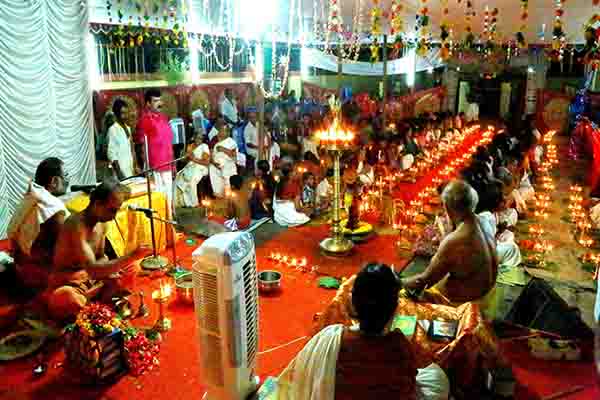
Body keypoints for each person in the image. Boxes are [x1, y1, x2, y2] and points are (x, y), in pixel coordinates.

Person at [265, 263, 449, 400]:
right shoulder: (399, 346)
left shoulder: (331, 338)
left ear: (353, 304)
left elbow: (302, 376)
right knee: (437, 378)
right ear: (394, 308)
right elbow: (406, 387)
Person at [45, 179, 142, 321]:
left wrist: (111, 272)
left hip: (94, 281)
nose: (114, 216)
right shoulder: (75, 225)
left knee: (133, 267)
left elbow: (101, 257)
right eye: (112, 210)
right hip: (70, 283)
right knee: (65, 297)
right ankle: (96, 310)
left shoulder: (101, 225)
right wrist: (132, 255)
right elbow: (92, 269)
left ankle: (95, 309)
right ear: (97, 204)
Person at [401, 180, 498, 305]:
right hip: (487, 291)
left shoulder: (455, 241)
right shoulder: (484, 221)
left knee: (401, 298)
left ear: (447, 207)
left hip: (464, 304)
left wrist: (396, 281)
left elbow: (423, 281)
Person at [7, 158, 70, 290]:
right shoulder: (53, 209)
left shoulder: (31, 198)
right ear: (54, 181)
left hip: (21, 269)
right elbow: (64, 250)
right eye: (66, 176)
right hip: (40, 279)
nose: (68, 181)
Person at [136, 89, 174, 205]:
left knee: (169, 197)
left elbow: (168, 143)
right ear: (148, 104)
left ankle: (169, 221)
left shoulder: (164, 118)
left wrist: (173, 165)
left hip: (168, 164)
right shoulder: (145, 121)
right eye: (155, 101)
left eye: (160, 100)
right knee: (159, 199)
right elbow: (142, 147)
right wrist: (148, 169)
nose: (159, 103)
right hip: (155, 168)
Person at [175, 132, 210, 207]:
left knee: (191, 180)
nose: (199, 140)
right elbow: (185, 160)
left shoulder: (204, 146)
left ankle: (194, 203)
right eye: (197, 137)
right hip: (190, 166)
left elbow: (206, 162)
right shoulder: (190, 146)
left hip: (201, 167)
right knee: (178, 178)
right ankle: (184, 203)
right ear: (194, 137)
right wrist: (185, 156)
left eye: (201, 138)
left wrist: (193, 159)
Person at [273, 159, 310, 227]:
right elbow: (297, 208)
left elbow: (276, 204)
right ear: (290, 174)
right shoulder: (295, 186)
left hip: (278, 217)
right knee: (309, 214)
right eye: (296, 172)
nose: (298, 174)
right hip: (291, 218)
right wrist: (306, 209)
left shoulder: (279, 183)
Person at [107, 99, 137, 179]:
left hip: (130, 170)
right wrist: (120, 174)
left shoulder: (128, 128)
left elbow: (132, 150)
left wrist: (135, 166)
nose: (126, 116)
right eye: (123, 113)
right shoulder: (113, 129)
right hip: (121, 173)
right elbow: (112, 154)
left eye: (127, 113)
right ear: (116, 114)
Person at [209, 125, 238, 198]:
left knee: (226, 171)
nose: (220, 132)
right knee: (211, 168)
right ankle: (219, 193)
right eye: (220, 130)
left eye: (222, 130)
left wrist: (223, 149)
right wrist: (214, 163)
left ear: (228, 133)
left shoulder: (231, 142)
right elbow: (212, 156)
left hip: (228, 165)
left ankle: (229, 196)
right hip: (216, 165)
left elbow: (234, 155)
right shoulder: (216, 143)